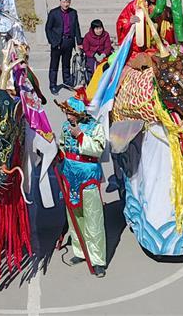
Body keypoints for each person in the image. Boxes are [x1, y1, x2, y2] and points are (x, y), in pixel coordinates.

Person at [57, 89, 107, 277]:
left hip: (88, 177)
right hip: (70, 176)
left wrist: (80, 136)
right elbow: (63, 146)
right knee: (74, 215)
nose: (67, 115)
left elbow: (98, 150)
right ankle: (80, 251)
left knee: (93, 218)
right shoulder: (64, 126)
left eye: (69, 112)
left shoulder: (95, 127)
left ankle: (97, 259)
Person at [45, 0, 81, 93]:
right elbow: (48, 28)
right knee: (54, 65)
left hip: (68, 41)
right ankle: (53, 85)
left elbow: (76, 27)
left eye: (68, 2)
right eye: (64, 2)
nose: (66, 4)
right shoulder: (54, 13)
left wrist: (79, 42)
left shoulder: (73, 13)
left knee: (66, 64)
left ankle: (66, 82)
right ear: (60, 2)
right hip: (57, 43)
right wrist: (52, 41)